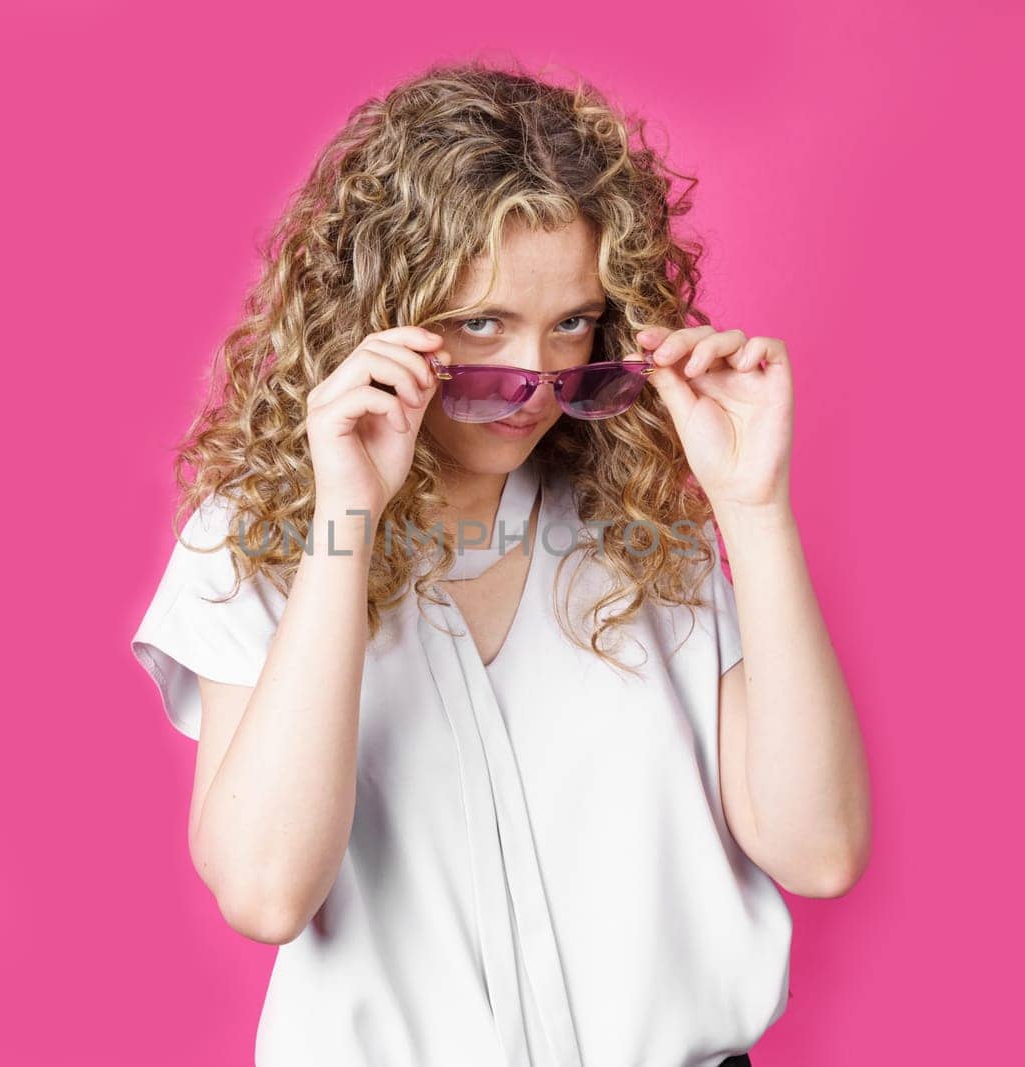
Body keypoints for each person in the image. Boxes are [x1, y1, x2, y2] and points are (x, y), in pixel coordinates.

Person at [130, 58, 871, 1067]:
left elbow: (817, 848)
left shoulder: (643, 524)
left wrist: (754, 507)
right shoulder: (256, 540)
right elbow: (265, 890)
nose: (535, 380)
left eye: (571, 324)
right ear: (380, 318)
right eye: (481, 325)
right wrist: (346, 516)